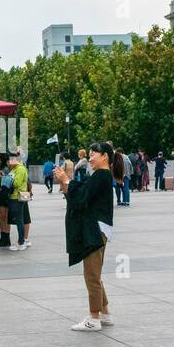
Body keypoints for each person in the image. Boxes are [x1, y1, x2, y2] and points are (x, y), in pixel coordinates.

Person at [56, 142, 115, 331]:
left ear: (105, 156)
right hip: (99, 228)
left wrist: (67, 179)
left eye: (93, 154)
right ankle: (104, 314)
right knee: (94, 273)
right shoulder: (100, 175)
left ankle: (94, 318)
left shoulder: (102, 175)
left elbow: (82, 197)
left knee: (91, 274)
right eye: (89, 154)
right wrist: (67, 183)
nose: (90, 158)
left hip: (95, 229)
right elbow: (83, 195)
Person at [7, 152, 32, 250]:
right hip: (14, 197)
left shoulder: (20, 169)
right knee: (19, 220)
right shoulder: (15, 169)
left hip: (17, 197)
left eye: (9, 161)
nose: (8, 163)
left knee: (19, 220)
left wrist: (6, 180)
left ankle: (21, 243)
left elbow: (16, 183)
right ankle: (21, 241)